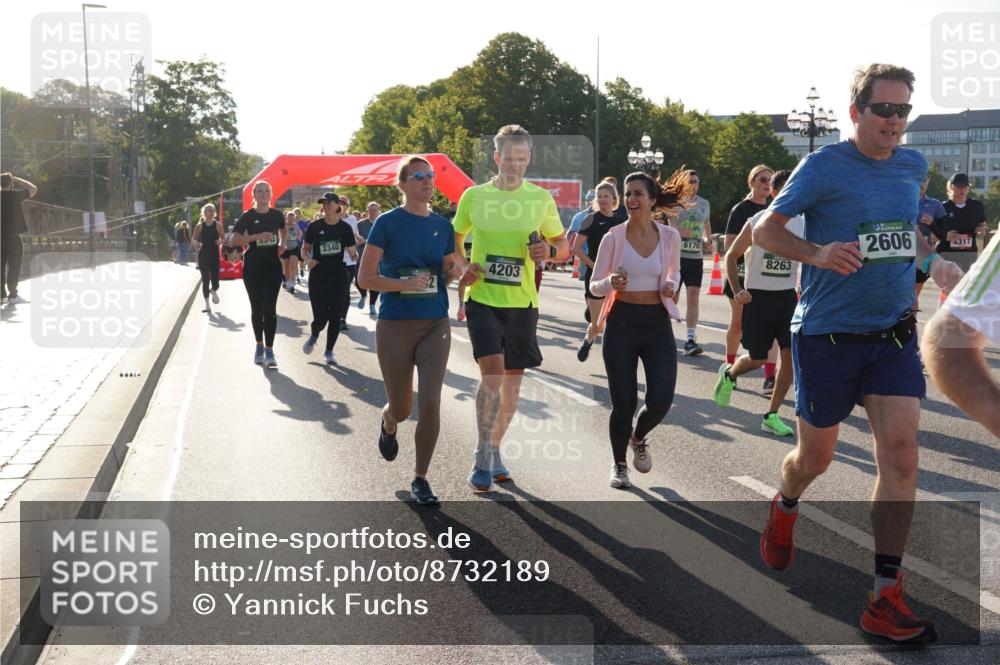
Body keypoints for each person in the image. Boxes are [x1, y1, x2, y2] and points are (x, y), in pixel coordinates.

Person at [752, 63, 964, 643]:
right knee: (814, 460)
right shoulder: (822, 166)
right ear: (856, 113)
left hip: (892, 334)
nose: (896, 122)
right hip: (827, 336)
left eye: (903, 111)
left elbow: (901, 234)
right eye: (885, 110)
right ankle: (785, 502)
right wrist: (816, 253)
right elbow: (766, 232)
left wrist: (933, 262)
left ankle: (884, 595)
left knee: (901, 455)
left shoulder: (913, 166)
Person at [453, 124, 569, 492]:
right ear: (496, 157)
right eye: (508, 157)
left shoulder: (540, 199)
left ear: (529, 158)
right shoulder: (474, 197)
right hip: (484, 299)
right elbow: (456, 237)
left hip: (522, 304)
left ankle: (493, 447)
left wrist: (548, 253)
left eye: (522, 158)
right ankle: (481, 455)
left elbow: (562, 245)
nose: (515, 164)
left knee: (512, 390)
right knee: (491, 375)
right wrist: (462, 266)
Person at [358, 156, 467, 504]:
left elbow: (449, 271)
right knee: (403, 409)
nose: (427, 180)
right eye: (418, 176)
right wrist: (403, 282)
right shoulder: (388, 224)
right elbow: (365, 278)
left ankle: (421, 478)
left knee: (432, 402)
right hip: (395, 325)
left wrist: (462, 273)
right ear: (402, 184)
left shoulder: (443, 226)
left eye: (430, 175)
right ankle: (389, 423)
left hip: (435, 322)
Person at [589, 170, 690, 488]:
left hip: (657, 324)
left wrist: (671, 285)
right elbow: (595, 285)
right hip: (621, 323)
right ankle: (619, 464)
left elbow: (674, 273)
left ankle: (639, 436)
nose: (631, 199)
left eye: (637, 194)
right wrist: (611, 282)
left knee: (661, 400)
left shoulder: (670, 236)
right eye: (628, 193)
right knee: (624, 402)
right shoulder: (613, 237)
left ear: (651, 200)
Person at [713, 170, 800, 437]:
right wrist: (737, 290)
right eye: (785, 190)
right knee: (758, 358)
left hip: (787, 298)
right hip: (758, 298)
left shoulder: (803, 222)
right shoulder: (757, 221)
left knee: (790, 358)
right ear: (773, 193)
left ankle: (771, 414)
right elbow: (731, 256)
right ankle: (730, 373)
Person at [922, 231, 1000, 438]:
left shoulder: (967, 207)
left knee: (899, 454)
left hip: (964, 262)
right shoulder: (939, 207)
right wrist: (933, 261)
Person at [725, 165, 776, 394]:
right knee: (738, 323)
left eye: (770, 180)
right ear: (752, 182)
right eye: (763, 179)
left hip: (767, 278)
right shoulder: (741, 209)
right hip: (742, 275)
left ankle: (769, 377)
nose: (767, 183)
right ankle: (729, 368)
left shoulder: (776, 209)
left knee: (772, 329)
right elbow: (729, 247)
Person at [231, 180, 287, 368]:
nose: (263, 194)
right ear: (254, 195)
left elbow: (283, 230)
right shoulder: (248, 216)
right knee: (257, 308)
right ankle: (259, 346)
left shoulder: (277, 215)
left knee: (269, 308)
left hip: (273, 266)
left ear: (271, 195)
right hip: (253, 267)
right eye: (260, 191)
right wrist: (255, 237)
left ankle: (270, 351)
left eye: (267, 191)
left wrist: (282, 243)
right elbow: (234, 239)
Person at [301, 193, 357, 365]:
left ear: (337, 205)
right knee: (320, 315)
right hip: (318, 274)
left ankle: (329, 351)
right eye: (323, 203)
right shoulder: (314, 226)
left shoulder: (345, 228)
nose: (325, 206)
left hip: (339, 274)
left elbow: (352, 251)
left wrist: (353, 254)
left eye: (328, 203)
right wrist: (308, 260)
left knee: (335, 315)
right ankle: (315, 333)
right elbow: (304, 249)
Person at [574, 180, 625, 361]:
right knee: (597, 325)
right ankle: (589, 339)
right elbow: (577, 248)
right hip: (595, 276)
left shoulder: (622, 220)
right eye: (599, 196)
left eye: (606, 196)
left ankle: (616, 358)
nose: (603, 199)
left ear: (614, 198)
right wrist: (593, 265)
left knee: (615, 321)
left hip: (617, 277)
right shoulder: (591, 219)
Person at [668, 170, 713, 356]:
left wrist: (706, 239)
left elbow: (706, 225)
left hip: (695, 257)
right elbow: (668, 228)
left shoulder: (704, 203)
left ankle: (690, 339)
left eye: (696, 180)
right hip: (676, 257)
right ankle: (665, 334)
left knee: (694, 296)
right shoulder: (675, 202)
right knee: (673, 298)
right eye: (690, 181)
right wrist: (679, 231)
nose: (694, 183)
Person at [938, 172, 987, 274]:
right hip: (947, 252)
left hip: (969, 253)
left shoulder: (976, 206)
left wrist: (982, 231)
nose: (963, 189)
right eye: (959, 186)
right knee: (949, 284)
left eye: (966, 186)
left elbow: (982, 227)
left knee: (966, 283)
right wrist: (946, 235)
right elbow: (935, 232)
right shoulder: (943, 207)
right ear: (951, 187)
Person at [913, 172, 948, 309]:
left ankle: (911, 328)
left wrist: (932, 225)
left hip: (922, 258)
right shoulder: (900, 201)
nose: (922, 184)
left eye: (925, 180)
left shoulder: (935, 205)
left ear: (928, 182)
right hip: (899, 257)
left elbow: (944, 235)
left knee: (913, 299)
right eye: (919, 179)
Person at [1, 172, 37, 302]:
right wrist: (17, 179)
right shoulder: (15, 195)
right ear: (11, 183)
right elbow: (33, 189)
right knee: (14, 266)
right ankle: (12, 294)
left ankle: (1, 295)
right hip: (13, 238)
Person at [338, 196, 364, 331]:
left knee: (345, 290)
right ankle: (335, 314)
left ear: (347, 206)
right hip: (333, 261)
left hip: (350, 260)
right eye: (339, 203)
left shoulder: (352, 219)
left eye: (344, 204)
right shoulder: (331, 219)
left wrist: (359, 239)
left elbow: (354, 235)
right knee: (335, 290)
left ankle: (342, 318)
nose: (341, 206)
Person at [192, 203, 223, 313]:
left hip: (214, 255)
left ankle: (213, 290)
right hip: (203, 255)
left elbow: (224, 238)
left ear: (214, 213)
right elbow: (194, 239)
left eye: (212, 210)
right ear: (204, 213)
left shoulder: (218, 225)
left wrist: (221, 241)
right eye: (208, 210)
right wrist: (196, 244)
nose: (210, 212)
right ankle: (206, 304)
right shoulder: (200, 226)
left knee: (216, 282)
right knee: (205, 280)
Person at [356, 201, 381, 316]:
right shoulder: (360, 224)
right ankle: (363, 294)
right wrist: (358, 239)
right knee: (357, 280)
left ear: (378, 211)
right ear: (367, 211)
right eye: (370, 210)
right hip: (361, 256)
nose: (373, 212)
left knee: (375, 282)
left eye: (375, 210)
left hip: (376, 258)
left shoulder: (382, 224)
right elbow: (354, 237)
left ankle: (372, 305)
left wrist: (366, 241)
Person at [280, 211, 303, 293]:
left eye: (293, 218)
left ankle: (292, 283)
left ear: (295, 218)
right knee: (286, 267)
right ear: (286, 218)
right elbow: (280, 234)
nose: (291, 220)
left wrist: (299, 235)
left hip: (294, 247)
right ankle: (288, 281)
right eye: (289, 218)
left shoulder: (296, 225)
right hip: (285, 248)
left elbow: (300, 232)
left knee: (293, 266)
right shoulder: (283, 226)